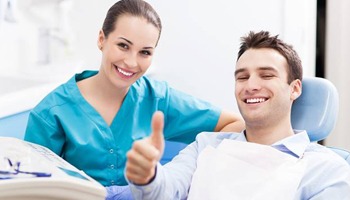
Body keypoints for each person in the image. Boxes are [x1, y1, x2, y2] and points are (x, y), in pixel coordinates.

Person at [23, 0, 244, 187]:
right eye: (123, 46)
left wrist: (182, 171)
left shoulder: (157, 99)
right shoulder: (51, 113)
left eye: (145, 52)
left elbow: (234, 124)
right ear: (102, 39)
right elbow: (31, 188)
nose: (131, 62)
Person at [125, 31, 350, 199]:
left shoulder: (327, 170)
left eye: (266, 75)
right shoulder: (205, 146)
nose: (251, 85)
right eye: (242, 77)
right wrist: (148, 176)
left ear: (295, 89)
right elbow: (164, 190)